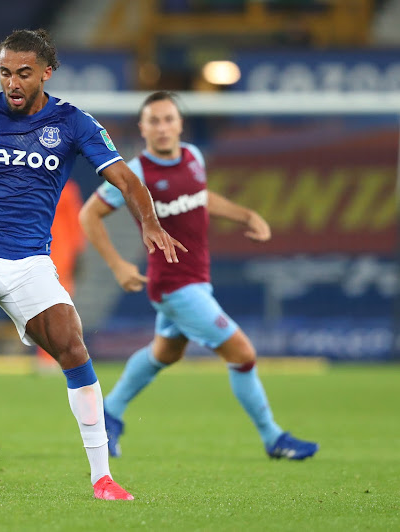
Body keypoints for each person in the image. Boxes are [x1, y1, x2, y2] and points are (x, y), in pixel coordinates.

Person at [0, 29, 186, 500]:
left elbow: (126, 179)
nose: (12, 82)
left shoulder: (75, 124)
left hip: (32, 260)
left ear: (46, 73)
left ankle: (102, 478)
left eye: (23, 73)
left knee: (74, 349)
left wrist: (150, 223)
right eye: (5, 72)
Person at [79, 91, 319, 461]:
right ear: (142, 128)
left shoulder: (193, 156)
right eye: (154, 121)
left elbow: (201, 196)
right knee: (242, 352)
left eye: (168, 119)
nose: (162, 127)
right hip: (174, 285)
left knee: (164, 353)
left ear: (180, 123)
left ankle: (109, 414)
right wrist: (118, 265)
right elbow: (88, 215)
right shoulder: (134, 173)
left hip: (197, 278)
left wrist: (246, 215)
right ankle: (274, 438)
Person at [36, 178, 86, 370]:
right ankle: (52, 357)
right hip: (55, 254)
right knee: (55, 309)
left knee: (51, 309)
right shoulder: (66, 188)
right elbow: (75, 223)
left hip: (52, 254)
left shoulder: (63, 188)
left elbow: (74, 223)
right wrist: (79, 251)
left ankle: (52, 357)